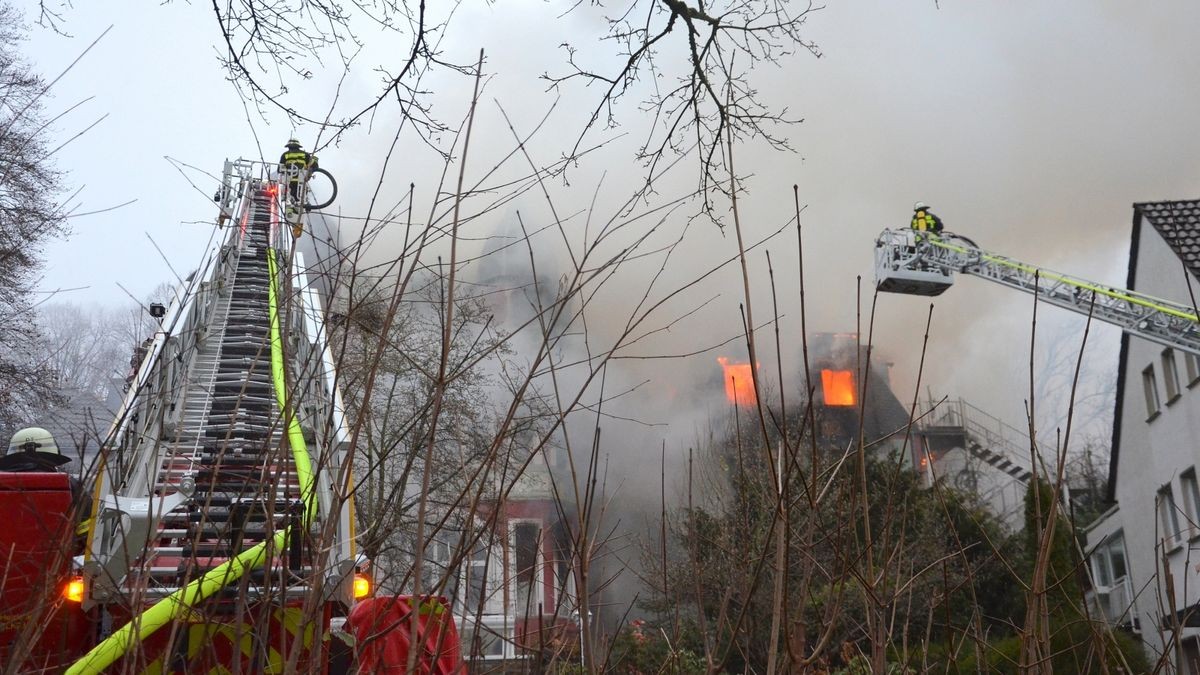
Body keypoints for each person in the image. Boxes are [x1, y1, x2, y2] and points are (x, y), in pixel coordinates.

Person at [280, 138, 318, 203]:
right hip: (301, 182)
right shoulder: (305, 154)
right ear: (298, 146)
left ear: (288, 146)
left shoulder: (285, 155)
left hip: (289, 182)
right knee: (300, 200)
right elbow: (315, 165)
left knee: (290, 200)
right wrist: (309, 173)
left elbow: (280, 169)